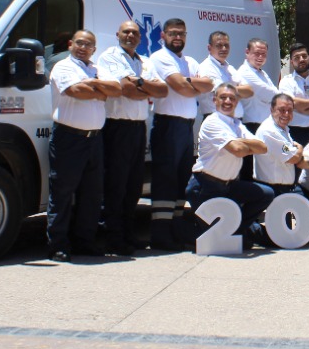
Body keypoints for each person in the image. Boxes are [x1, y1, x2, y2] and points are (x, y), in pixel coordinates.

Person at [47, 30, 122, 262]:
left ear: (94, 49)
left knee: (92, 193)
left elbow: (117, 90)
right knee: (62, 192)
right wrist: (100, 92)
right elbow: (76, 91)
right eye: (79, 43)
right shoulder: (63, 67)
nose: (83, 48)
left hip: (94, 139)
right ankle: (58, 245)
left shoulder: (96, 69)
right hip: (69, 138)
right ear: (70, 44)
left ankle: (84, 241)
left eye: (88, 45)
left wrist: (93, 82)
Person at [97, 20, 167, 255]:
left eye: (135, 33)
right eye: (126, 32)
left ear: (140, 37)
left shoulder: (144, 61)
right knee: (116, 185)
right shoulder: (110, 56)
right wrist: (144, 87)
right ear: (117, 34)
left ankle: (128, 234)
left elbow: (162, 90)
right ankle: (113, 238)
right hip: (117, 128)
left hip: (138, 129)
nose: (130, 36)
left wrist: (139, 82)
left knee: (133, 185)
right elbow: (125, 90)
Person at [148, 18, 215, 250]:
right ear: (163, 35)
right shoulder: (160, 57)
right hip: (167, 125)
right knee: (165, 178)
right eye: (173, 33)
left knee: (181, 179)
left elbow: (208, 84)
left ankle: (175, 228)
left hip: (186, 126)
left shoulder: (189, 61)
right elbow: (181, 87)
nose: (178, 37)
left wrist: (187, 82)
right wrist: (189, 83)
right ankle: (160, 233)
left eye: (181, 33)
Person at [184, 83, 274, 252]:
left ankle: (237, 229)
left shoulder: (236, 125)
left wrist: (237, 140)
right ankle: (224, 233)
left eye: (232, 98)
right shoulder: (213, 122)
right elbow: (238, 151)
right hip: (205, 187)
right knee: (217, 241)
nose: (227, 101)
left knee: (266, 194)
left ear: (237, 101)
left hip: (228, 186)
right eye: (223, 97)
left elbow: (263, 147)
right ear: (214, 100)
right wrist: (245, 145)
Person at [253, 93, 306, 197]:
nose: (286, 114)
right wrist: (300, 148)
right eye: (282, 110)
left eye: (290, 110)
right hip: (274, 189)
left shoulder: (282, 129)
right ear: (272, 110)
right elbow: (293, 158)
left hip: (282, 189)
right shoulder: (270, 131)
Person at [196, 31, 254, 119]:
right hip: (216, 119)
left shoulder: (230, 68)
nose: (224, 48)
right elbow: (221, 92)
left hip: (234, 120)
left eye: (226, 45)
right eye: (219, 45)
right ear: (209, 48)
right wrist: (237, 91)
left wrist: (230, 89)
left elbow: (249, 91)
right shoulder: (205, 67)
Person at [236, 38, 280, 133]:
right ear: (247, 52)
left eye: (264, 54)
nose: (260, 57)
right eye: (257, 53)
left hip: (265, 125)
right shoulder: (245, 72)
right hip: (252, 126)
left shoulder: (262, 73)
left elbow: (274, 94)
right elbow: (272, 95)